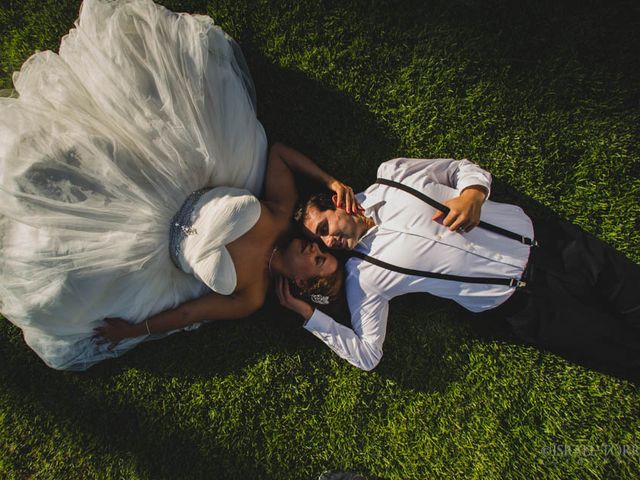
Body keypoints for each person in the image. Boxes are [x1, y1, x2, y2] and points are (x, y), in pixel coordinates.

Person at [0, 0, 355, 370]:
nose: (315, 246)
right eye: (322, 250)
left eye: (317, 260)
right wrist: (329, 180)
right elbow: (279, 154)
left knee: (58, 259)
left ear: (299, 282)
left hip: (148, 239)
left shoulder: (251, 295)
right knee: (104, 137)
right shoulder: (283, 214)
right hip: (177, 179)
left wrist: (134, 331)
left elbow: (189, 313)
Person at [280, 157, 640, 380]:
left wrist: (472, 194)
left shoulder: (391, 176)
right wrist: (308, 313)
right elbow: (368, 354)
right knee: (621, 350)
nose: (329, 243)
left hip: (555, 245)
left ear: (337, 203)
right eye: (320, 242)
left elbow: (457, 169)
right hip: (529, 307)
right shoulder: (365, 276)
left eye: (324, 228)